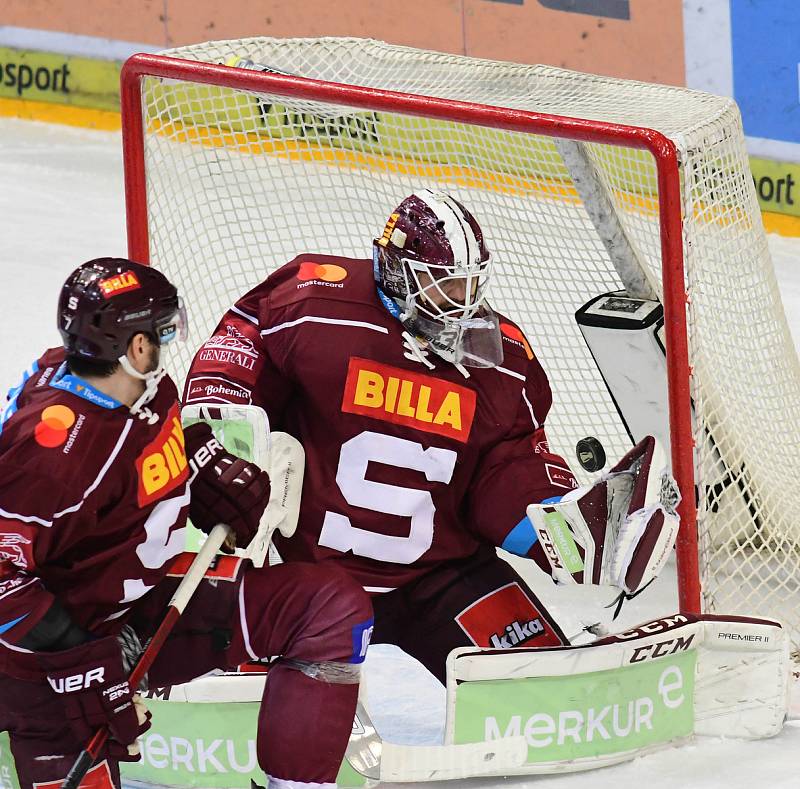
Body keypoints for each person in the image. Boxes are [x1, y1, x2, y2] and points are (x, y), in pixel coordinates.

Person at [0, 258, 372, 789]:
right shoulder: (56, 452)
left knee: (326, 607)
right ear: (134, 348)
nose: (170, 340)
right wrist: (86, 663)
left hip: (139, 608)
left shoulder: (140, 387)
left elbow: (164, 440)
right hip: (44, 668)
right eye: (162, 329)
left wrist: (207, 468)